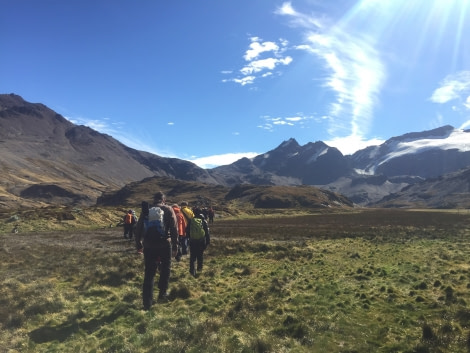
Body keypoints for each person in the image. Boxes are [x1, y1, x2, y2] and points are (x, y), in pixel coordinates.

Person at [135, 192, 178, 310]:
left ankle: (147, 302)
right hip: (164, 244)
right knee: (165, 268)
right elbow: (174, 228)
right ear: (164, 200)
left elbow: (138, 227)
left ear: (154, 200)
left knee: (149, 272)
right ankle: (162, 293)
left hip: (148, 245)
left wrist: (138, 243)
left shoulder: (146, 210)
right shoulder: (168, 209)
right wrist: (175, 246)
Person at [188, 213, 210, 277]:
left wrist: (189, 239)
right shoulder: (204, 222)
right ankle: (199, 269)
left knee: (193, 256)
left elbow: (187, 231)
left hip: (192, 241)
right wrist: (207, 242)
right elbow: (207, 233)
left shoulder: (191, 221)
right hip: (201, 241)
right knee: (200, 255)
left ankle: (192, 270)